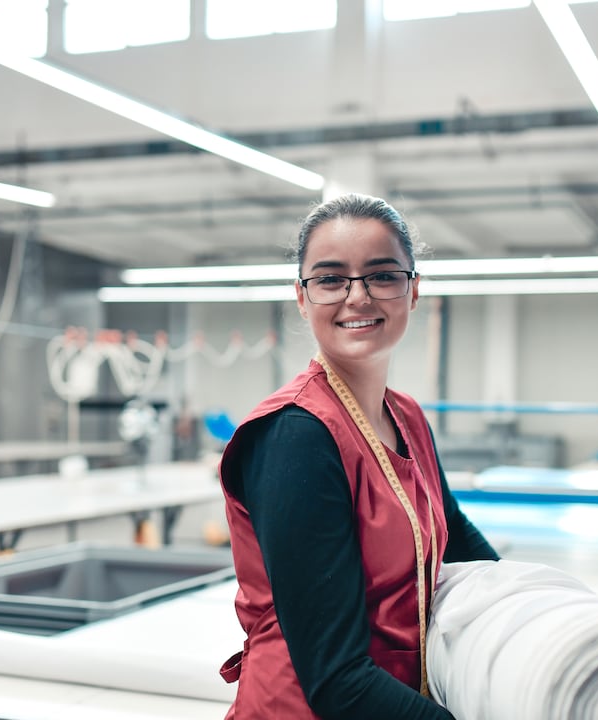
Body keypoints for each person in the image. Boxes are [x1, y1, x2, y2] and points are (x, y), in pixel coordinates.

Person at [218, 194, 499, 719]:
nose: (358, 297)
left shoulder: (408, 417)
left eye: (382, 275)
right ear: (302, 298)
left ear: (414, 291)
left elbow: (456, 539)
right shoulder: (296, 436)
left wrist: (540, 615)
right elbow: (335, 678)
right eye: (330, 279)